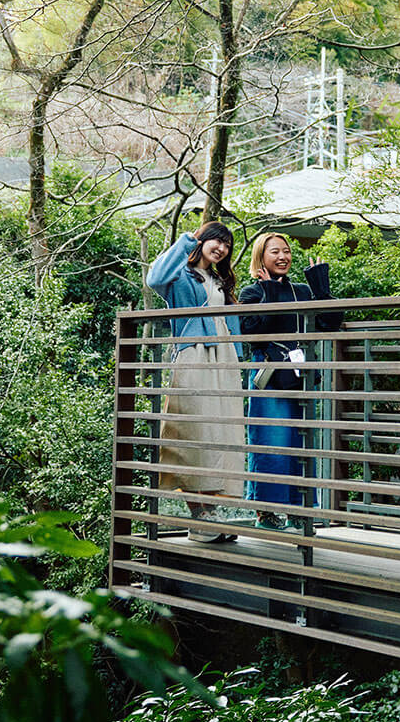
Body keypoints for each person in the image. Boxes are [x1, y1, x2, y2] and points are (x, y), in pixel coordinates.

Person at [145, 222, 247, 543]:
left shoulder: (220, 280)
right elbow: (154, 278)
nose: (221, 248)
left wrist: (239, 358)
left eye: (227, 245)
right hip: (193, 354)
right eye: (216, 240)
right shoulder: (179, 276)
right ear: (201, 240)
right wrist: (186, 241)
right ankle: (198, 514)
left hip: (224, 360)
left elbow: (231, 323)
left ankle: (211, 513)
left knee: (220, 430)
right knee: (194, 429)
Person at [238, 232, 343, 529]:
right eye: (275, 252)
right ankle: (266, 511)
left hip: (299, 373)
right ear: (261, 257)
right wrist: (269, 291)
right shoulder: (251, 292)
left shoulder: (300, 291)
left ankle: (300, 508)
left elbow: (329, 324)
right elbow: (252, 333)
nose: (282, 257)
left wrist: (321, 288)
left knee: (300, 439)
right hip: (269, 371)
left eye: (286, 251)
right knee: (271, 438)